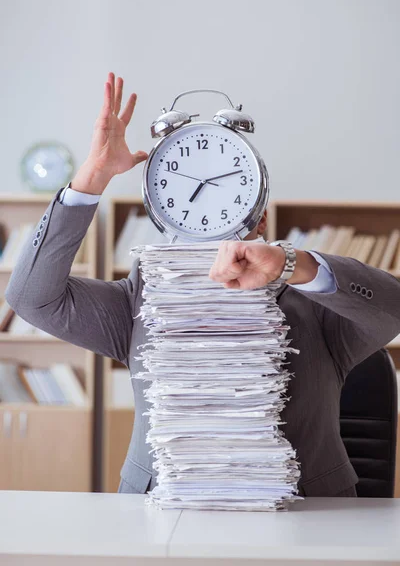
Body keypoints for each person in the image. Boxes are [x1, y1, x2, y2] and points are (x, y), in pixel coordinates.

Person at [6, 73, 400, 497]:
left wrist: (292, 264)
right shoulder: (137, 303)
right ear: (163, 214)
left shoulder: (319, 303)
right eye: (186, 192)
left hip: (305, 520)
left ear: (260, 217)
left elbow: (393, 308)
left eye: (226, 194)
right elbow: (32, 297)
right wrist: (92, 177)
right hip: (162, 518)